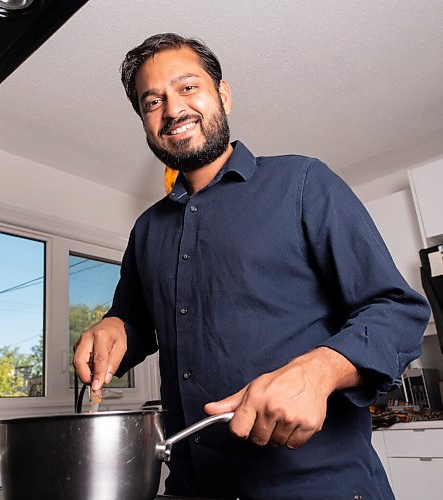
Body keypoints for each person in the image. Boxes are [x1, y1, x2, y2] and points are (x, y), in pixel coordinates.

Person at [73, 33, 430, 499]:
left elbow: (398, 310)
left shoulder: (302, 182)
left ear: (223, 93)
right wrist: (114, 326)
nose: (172, 109)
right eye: (152, 101)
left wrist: (318, 371)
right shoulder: (146, 230)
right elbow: (136, 325)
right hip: (190, 487)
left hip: (319, 486)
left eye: (187, 88)